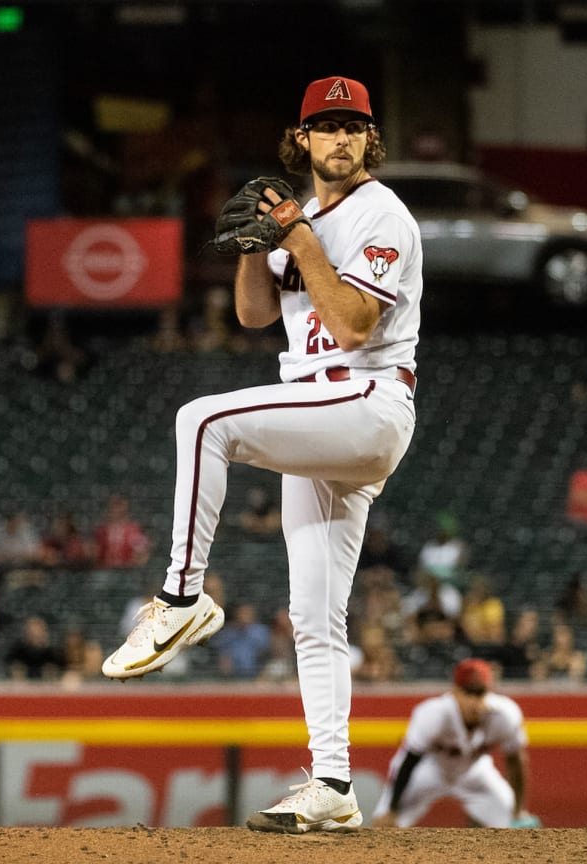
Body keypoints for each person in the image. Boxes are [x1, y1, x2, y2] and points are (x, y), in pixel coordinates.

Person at [101, 75, 421, 836]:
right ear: (301, 139)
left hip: (365, 399)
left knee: (203, 419)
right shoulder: (298, 215)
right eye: (326, 126)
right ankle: (335, 783)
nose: (340, 138)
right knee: (314, 616)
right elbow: (252, 314)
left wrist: (299, 240)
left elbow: (350, 326)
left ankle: (182, 599)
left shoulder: (383, 215)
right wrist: (255, 248)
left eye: (354, 127)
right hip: (323, 421)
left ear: (370, 140)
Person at [370, 659, 535, 829]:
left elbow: (516, 761)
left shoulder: (505, 714)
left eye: (480, 693)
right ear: (455, 692)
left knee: (514, 821)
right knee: (385, 823)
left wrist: (519, 809)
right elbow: (409, 761)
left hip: (474, 771)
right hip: (429, 769)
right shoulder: (434, 713)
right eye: (468, 693)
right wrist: (392, 808)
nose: (474, 701)